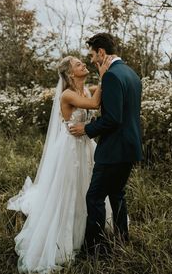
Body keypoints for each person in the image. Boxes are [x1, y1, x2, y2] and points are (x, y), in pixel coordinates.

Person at [7, 55, 111, 273]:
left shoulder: (86, 89)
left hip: (86, 145)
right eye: (78, 64)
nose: (83, 64)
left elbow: (95, 101)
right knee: (70, 190)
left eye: (83, 62)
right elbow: (93, 104)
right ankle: (66, 237)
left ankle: (91, 231)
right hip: (70, 148)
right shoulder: (68, 94)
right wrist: (104, 77)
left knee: (90, 189)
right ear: (70, 73)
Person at [69, 33, 143, 253]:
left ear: (101, 52)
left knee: (94, 197)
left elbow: (113, 118)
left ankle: (96, 248)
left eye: (92, 55)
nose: (91, 60)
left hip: (114, 149)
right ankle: (121, 239)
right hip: (130, 147)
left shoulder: (111, 76)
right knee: (117, 193)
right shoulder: (131, 73)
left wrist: (87, 129)